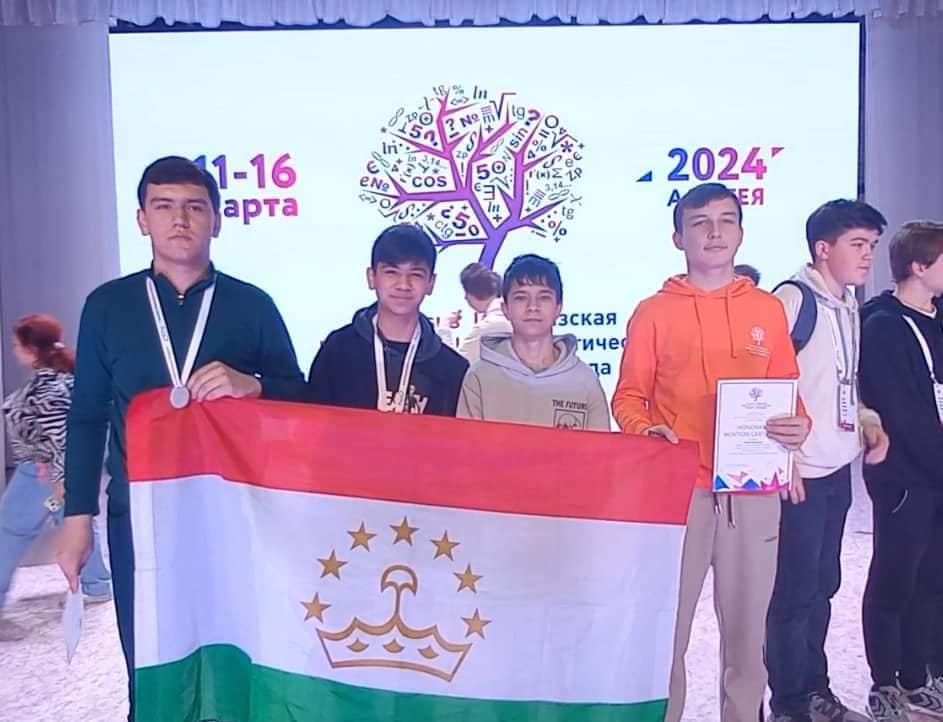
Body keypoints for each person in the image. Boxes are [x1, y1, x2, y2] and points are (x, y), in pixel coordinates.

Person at [56, 156, 306, 720]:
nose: (180, 219)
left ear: (217, 219)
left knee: (234, 644)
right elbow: (88, 415)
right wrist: (77, 519)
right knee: (150, 652)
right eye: (164, 206)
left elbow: (299, 396)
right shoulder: (108, 306)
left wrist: (255, 385)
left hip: (231, 514)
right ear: (142, 219)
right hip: (140, 512)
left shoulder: (252, 304)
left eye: (195, 207)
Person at [611, 183, 810, 722]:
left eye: (726, 220)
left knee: (748, 637)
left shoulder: (767, 309)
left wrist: (799, 427)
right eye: (700, 222)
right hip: (680, 492)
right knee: (665, 632)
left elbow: (788, 392)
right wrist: (646, 428)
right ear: (679, 237)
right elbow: (628, 396)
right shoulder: (653, 312)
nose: (715, 232)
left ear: (741, 233)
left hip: (753, 489)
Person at [765, 200, 890, 722]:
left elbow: (842, 382)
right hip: (800, 474)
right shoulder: (792, 300)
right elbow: (764, 384)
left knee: (822, 587)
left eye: (872, 246)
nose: (868, 256)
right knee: (793, 594)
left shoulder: (848, 303)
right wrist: (781, 459)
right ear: (823, 248)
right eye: (857, 244)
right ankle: (791, 703)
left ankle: (816, 691)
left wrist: (867, 420)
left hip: (837, 468)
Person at [858, 220, 943, 721]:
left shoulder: (937, 318)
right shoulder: (883, 326)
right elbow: (903, 412)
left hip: (937, 476)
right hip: (905, 478)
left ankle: (918, 676)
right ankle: (884, 683)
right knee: (895, 580)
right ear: (919, 266)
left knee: (932, 580)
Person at [0, 315, 111, 640]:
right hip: (51, 471)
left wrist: (62, 481)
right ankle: (96, 583)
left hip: (42, 472)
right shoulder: (64, 377)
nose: (14, 350)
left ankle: (96, 583)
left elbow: (63, 439)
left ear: (31, 349)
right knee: (73, 522)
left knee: (9, 531)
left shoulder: (47, 389)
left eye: (17, 345)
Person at [307, 223, 468, 415]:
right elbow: (313, 423)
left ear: (431, 283)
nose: (403, 285)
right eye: (391, 272)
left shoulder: (451, 368)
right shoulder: (338, 351)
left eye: (416, 274)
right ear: (372, 277)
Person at [457, 254, 609, 430]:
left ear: (558, 307)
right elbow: (466, 446)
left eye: (544, 297)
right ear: (505, 308)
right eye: (521, 298)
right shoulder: (479, 377)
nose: (532, 307)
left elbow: (600, 447)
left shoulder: (585, 380)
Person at [440, 262, 512, 363]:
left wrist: (444, 327)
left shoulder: (488, 326)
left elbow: (456, 365)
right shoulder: (509, 316)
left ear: (475, 291)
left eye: (466, 292)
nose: (465, 297)